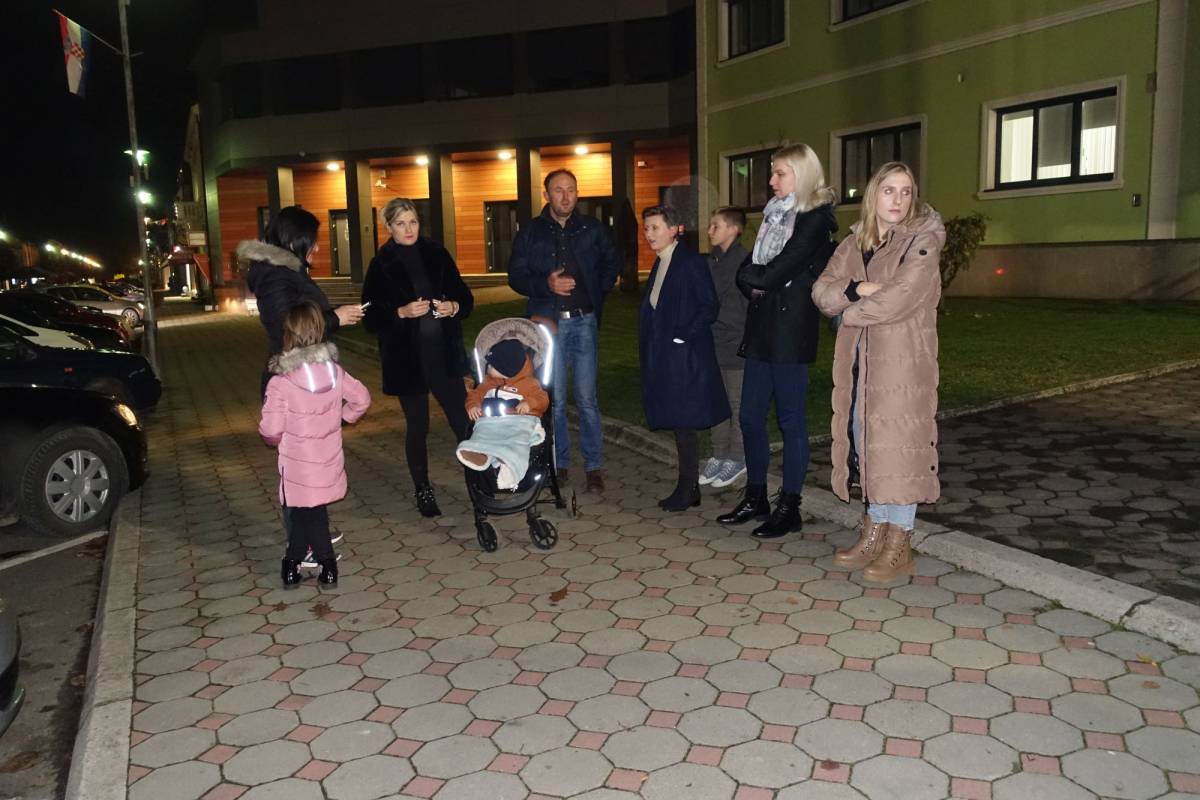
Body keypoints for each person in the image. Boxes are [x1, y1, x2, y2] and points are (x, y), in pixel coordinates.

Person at [812, 161, 944, 582]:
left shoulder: (922, 239)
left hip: (903, 361)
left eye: (906, 191)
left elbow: (902, 296)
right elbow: (821, 291)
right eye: (889, 190)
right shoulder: (855, 242)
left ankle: (899, 542)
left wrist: (848, 313)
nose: (898, 200)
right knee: (868, 442)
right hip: (861, 363)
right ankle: (875, 530)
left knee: (900, 448)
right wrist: (857, 288)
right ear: (873, 195)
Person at [717, 144, 838, 538]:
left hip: (790, 333)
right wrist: (755, 276)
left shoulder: (814, 219)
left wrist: (755, 276)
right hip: (762, 328)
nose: (771, 181)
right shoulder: (775, 214)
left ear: (802, 175)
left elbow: (771, 272)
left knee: (790, 420)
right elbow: (750, 271)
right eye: (773, 172)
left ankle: (790, 506)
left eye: (780, 173)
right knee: (750, 417)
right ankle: (756, 497)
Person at [508, 169, 621, 493]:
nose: (566, 196)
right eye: (558, 190)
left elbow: (612, 263)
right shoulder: (531, 232)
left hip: (584, 322)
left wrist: (596, 290)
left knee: (587, 399)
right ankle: (559, 464)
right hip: (548, 326)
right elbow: (516, 276)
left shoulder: (592, 229)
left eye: (571, 189)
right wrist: (546, 284)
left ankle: (594, 466)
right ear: (546, 195)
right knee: (554, 400)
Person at [360, 198, 474, 517]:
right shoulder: (381, 265)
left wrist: (454, 306)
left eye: (413, 222)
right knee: (418, 426)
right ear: (388, 227)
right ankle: (423, 488)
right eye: (400, 223)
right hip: (407, 360)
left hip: (443, 355)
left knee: (463, 421)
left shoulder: (437, 253)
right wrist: (400, 312)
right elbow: (370, 318)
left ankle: (480, 480)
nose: (408, 229)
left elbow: (465, 297)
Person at [259, 302, 371, 588]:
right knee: (308, 512)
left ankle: (320, 564)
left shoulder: (281, 383)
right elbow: (362, 399)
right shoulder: (335, 372)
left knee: (307, 513)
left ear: (288, 334)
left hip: (297, 463)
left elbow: (271, 429)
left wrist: (272, 439)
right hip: (327, 457)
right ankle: (298, 565)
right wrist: (343, 418)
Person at [639, 205, 731, 512]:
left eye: (654, 227)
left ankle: (688, 487)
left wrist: (682, 335)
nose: (648, 234)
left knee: (684, 422)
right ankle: (688, 487)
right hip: (667, 357)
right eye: (646, 228)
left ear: (673, 229)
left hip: (685, 357)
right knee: (680, 423)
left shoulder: (689, 261)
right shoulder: (662, 260)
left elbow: (709, 306)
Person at [241, 206, 364, 395]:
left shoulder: (286, 271)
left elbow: (303, 310)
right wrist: (335, 318)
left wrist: (337, 312)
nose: (317, 247)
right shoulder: (275, 275)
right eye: (312, 241)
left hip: (305, 373)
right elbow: (286, 327)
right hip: (294, 380)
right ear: (293, 241)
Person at [456, 338, 550, 489]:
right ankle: (480, 453)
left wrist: (529, 403)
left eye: (492, 366)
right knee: (480, 432)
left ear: (507, 369)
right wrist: (473, 405)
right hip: (490, 422)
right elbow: (475, 394)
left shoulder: (529, 383)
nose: (488, 368)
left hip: (517, 422)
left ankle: (510, 461)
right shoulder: (488, 383)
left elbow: (542, 398)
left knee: (518, 439)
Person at [702, 207, 751, 490]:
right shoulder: (713, 261)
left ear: (733, 229)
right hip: (713, 344)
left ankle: (737, 457)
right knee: (716, 402)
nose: (710, 231)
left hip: (735, 345)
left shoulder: (744, 262)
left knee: (736, 404)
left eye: (716, 226)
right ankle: (719, 455)